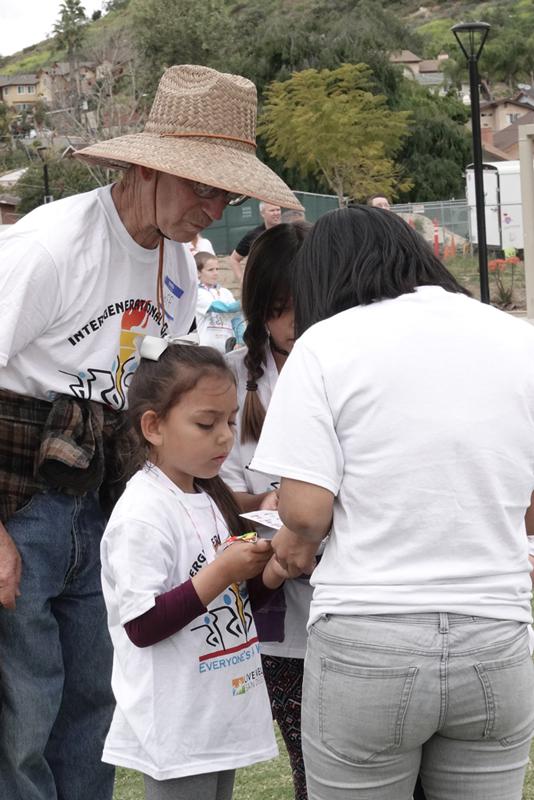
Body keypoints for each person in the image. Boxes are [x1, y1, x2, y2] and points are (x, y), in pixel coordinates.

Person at [0, 63, 301, 800]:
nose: (214, 206)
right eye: (202, 185)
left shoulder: (178, 269)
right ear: (145, 166)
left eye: (225, 191)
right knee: (21, 718)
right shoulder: (51, 245)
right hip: (24, 494)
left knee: (95, 709)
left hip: (105, 494)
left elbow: (160, 397)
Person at [251, 205, 534, 800]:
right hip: (497, 631)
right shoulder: (517, 338)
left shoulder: (326, 345)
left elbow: (303, 513)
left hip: (368, 635)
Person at [100, 337, 278, 799]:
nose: (225, 436)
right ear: (153, 426)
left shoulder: (210, 496)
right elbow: (141, 624)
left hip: (218, 714)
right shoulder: (143, 513)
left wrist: (270, 570)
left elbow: (232, 603)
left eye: (231, 421)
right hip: (177, 725)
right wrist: (221, 571)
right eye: (206, 423)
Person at [221, 221, 312, 800]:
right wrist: (265, 502)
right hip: (279, 611)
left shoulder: (349, 365)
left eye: (307, 305)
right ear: (259, 308)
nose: (295, 323)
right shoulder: (231, 378)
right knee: (314, 772)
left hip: (356, 603)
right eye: (280, 308)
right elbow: (205, 492)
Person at [195, 251, 241, 353]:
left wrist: (240, 340)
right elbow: (222, 308)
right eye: (210, 270)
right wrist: (245, 302)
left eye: (217, 269)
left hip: (229, 349)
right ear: (198, 273)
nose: (215, 273)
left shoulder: (226, 292)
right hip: (207, 350)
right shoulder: (198, 293)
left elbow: (237, 318)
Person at [229, 201, 282, 282]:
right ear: (262, 213)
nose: (276, 213)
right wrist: (242, 281)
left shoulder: (289, 231)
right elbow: (234, 259)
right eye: (272, 210)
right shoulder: (254, 236)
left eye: (278, 210)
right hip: (262, 285)